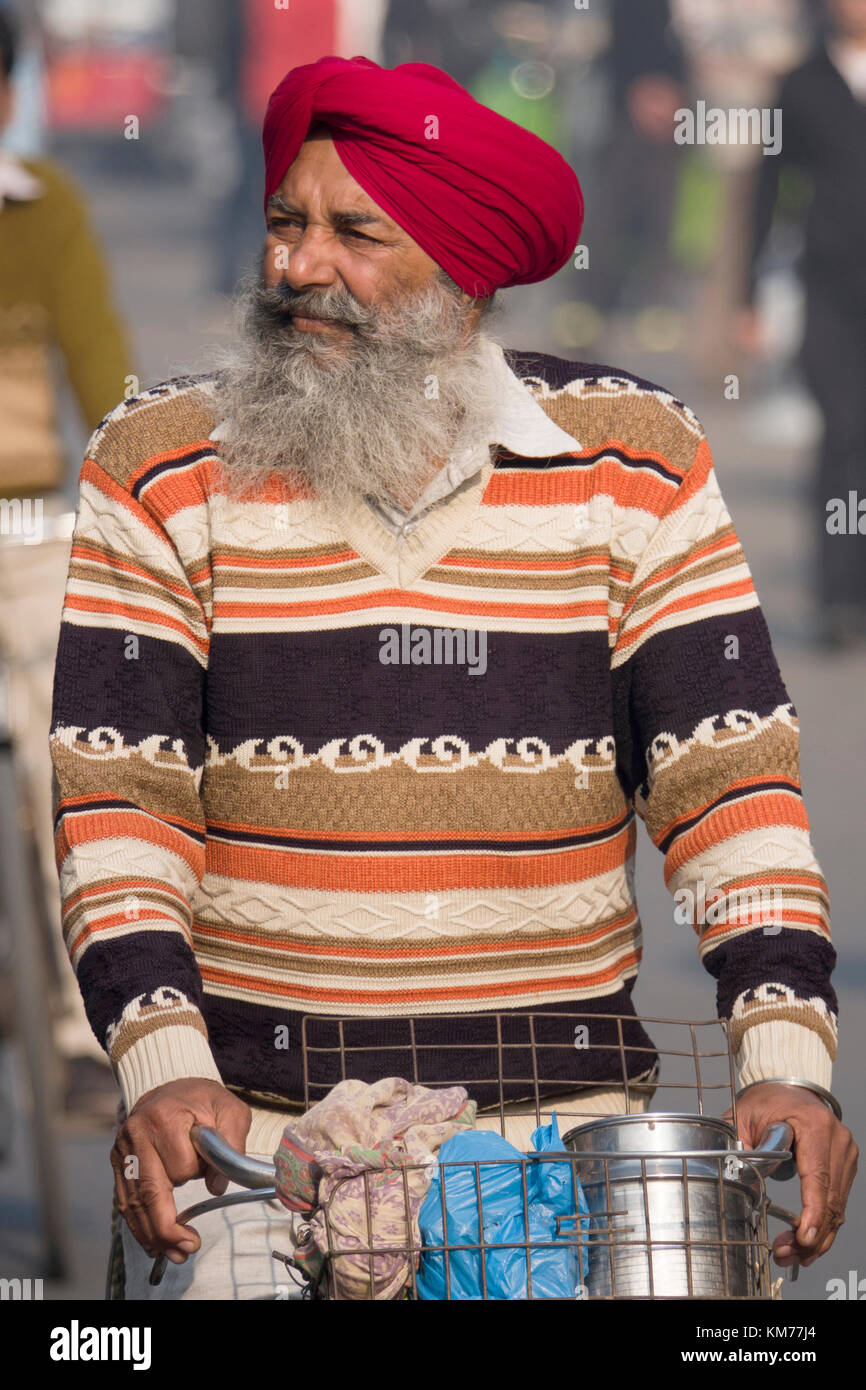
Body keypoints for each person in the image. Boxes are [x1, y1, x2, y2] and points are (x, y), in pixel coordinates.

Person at [49, 54, 855, 1299]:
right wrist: (160, 1063)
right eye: (285, 222)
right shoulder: (159, 464)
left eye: (352, 234)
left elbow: (729, 788)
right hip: (255, 1139)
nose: (296, 267)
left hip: (560, 1138)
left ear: (462, 275)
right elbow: (119, 807)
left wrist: (786, 1053)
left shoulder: (629, 457)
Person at [0, 8, 135, 1119]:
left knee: (67, 758)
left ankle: (74, 1027)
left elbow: (99, 366)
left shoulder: (42, 211)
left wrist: (135, 499)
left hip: (26, 536)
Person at [741, 0, 866, 645]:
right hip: (830, 285)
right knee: (841, 432)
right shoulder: (802, 82)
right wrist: (750, 295)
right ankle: (836, 597)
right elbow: (770, 184)